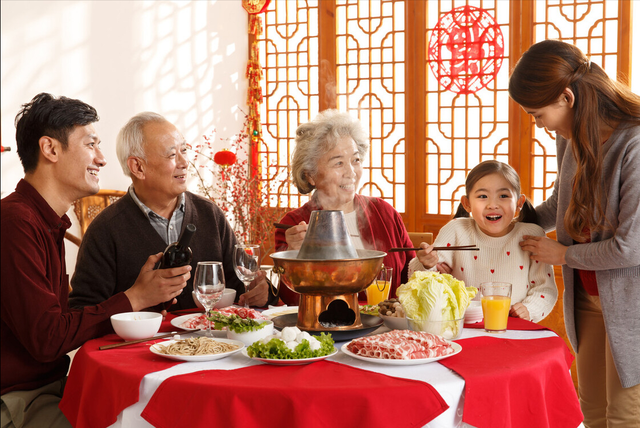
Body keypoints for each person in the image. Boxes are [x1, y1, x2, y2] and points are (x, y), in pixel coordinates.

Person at [0, 94, 190, 427]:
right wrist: (135, 298)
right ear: (51, 149)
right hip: (20, 401)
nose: (102, 159)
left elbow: (60, 321)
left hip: (54, 387)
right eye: (91, 145)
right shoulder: (15, 223)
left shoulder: (47, 221)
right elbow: (48, 339)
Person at [509, 39, 640, 427]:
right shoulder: (570, 139)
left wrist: (562, 255)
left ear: (567, 97)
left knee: (624, 416)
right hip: (585, 293)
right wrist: (511, 217)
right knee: (591, 410)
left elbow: (631, 247)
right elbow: (560, 207)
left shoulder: (633, 144)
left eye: (537, 113)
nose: (538, 123)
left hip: (630, 301)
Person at [69, 112, 278, 311]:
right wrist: (136, 298)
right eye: (172, 154)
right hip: (139, 346)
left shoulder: (210, 214)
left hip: (212, 344)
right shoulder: (106, 229)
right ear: (138, 167)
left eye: (184, 150)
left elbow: (242, 282)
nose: (184, 162)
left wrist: (262, 291)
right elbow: (84, 311)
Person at [274, 109, 415, 305]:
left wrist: (427, 264)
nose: (351, 172)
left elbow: (412, 278)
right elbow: (292, 301)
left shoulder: (384, 212)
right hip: (324, 331)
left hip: (386, 328)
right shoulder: (294, 224)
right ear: (310, 175)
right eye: (338, 163)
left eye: (355, 160)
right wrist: (294, 255)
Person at [409, 160, 557, 322]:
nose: (492, 205)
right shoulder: (456, 230)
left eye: (503, 196)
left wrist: (529, 309)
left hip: (515, 328)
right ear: (467, 204)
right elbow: (420, 282)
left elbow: (545, 288)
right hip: (463, 328)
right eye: (482, 196)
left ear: (519, 203)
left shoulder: (532, 235)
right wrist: (426, 264)